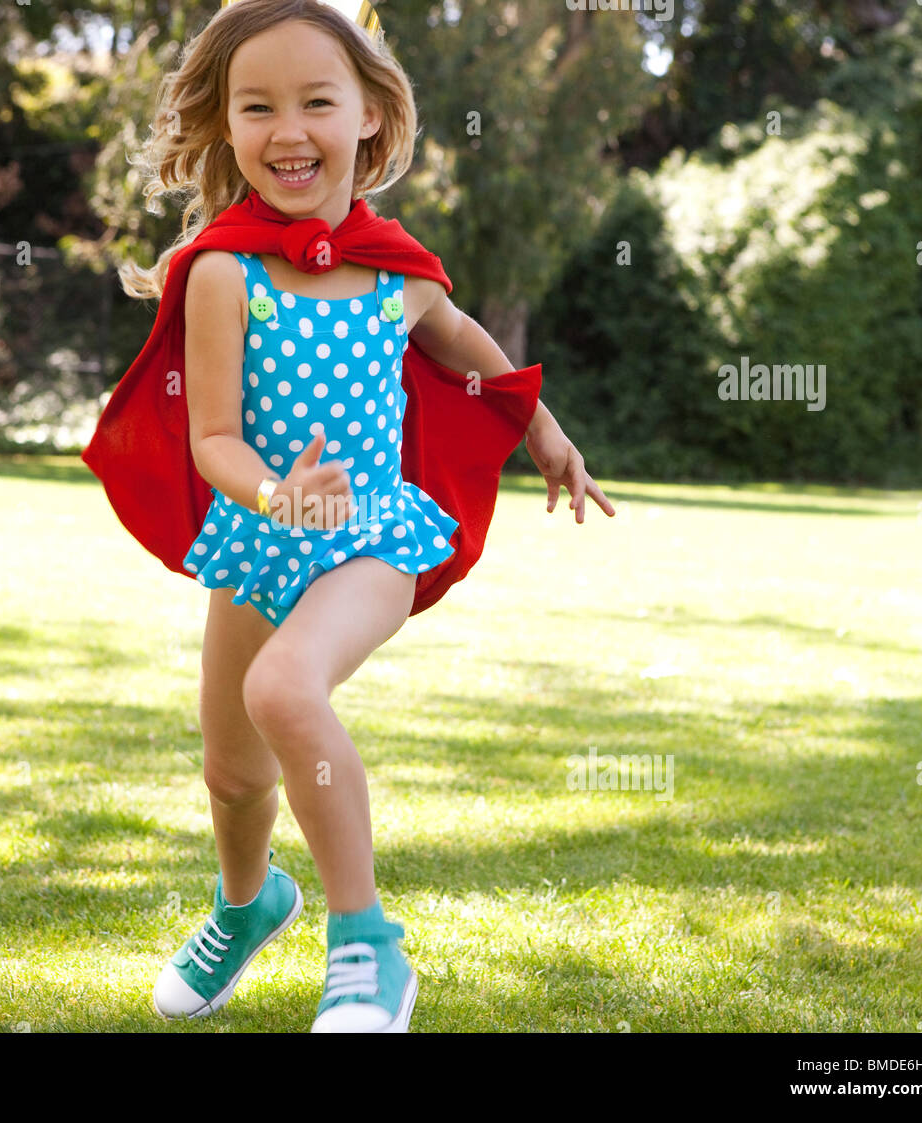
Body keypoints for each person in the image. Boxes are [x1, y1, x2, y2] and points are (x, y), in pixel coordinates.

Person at [83, 0, 614, 1033]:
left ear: (368, 114)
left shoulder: (394, 268)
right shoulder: (222, 275)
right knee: (232, 774)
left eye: (316, 101)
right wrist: (274, 493)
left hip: (373, 534)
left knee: (285, 687)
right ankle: (249, 905)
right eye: (257, 106)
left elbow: (464, 342)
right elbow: (214, 441)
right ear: (225, 125)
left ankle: (365, 944)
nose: (288, 130)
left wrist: (541, 430)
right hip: (260, 535)